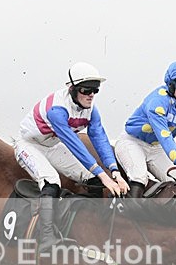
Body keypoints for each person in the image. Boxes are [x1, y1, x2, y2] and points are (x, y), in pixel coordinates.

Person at [13, 62, 128, 253]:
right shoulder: (57, 110)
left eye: (95, 90)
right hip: (28, 145)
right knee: (52, 182)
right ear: (72, 89)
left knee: (92, 179)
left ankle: (92, 225)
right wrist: (105, 176)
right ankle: (46, 237)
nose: (91, 95)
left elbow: (100, 139)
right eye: (86, 90)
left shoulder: (92, 110)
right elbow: (76, 146)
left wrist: (115, 172)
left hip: (51, 145)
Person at [115, 60, 176, 197]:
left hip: (156, 148)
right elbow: (164, 135)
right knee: (139, 177)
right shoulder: (156, 101)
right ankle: (127, 214)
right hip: (133, 142)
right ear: (171, 85)